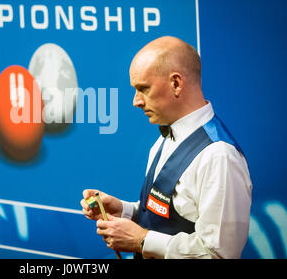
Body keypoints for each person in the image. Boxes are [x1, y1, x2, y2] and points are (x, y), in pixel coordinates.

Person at [80, 36, 252, 259]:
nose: (136, 101)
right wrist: (125, 211)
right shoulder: (165, 137)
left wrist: (141, 240)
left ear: (176, 84)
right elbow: (168, 216)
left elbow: (219, 255)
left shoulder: (219, 156)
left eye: (143, 89)